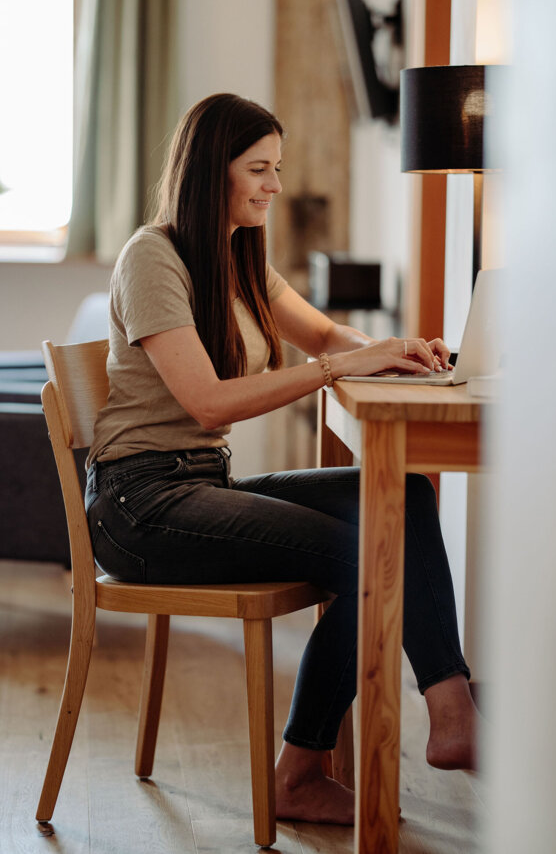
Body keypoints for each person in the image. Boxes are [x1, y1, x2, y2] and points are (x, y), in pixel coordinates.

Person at [85, 93, 478, 826]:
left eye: (277, 168)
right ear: (212, 172)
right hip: (140, 503)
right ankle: (300, 774)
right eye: (258, 169)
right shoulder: (152, 256)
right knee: (365, 554)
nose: (274, 185)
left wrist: (400, 353)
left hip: (201, 482)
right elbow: (208, 403)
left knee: (402, 498)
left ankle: (449, 696)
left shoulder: (239, 259)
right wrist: (336, 370)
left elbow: (325, 334)